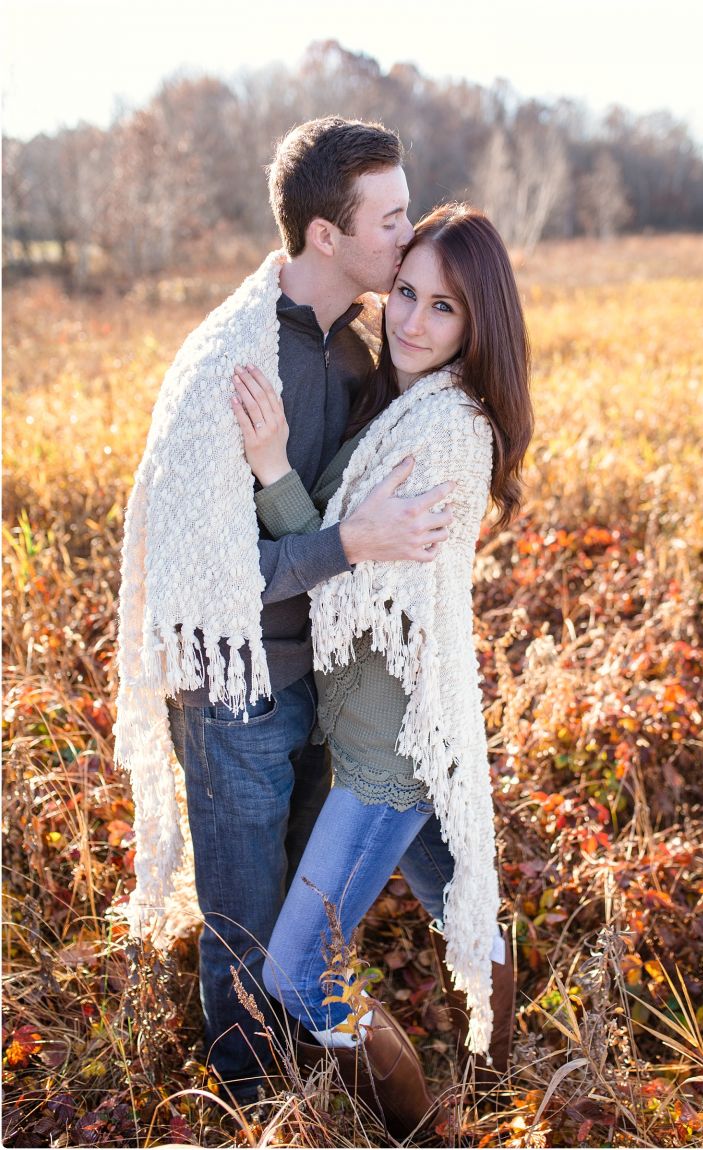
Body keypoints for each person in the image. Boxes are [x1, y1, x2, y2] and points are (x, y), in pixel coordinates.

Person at [113, 117, 458, 1104]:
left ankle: (322, 1078)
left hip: (325, 683)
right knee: (244, 927)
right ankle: (253, 1105)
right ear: (324, 235)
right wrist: (351, 543)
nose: (408, 230)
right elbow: (208, 579)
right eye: (389, 218)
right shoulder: (231, 363)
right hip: (236, 698)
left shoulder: (356, 357)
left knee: (308, 923)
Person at [230, 202, 534, 1134]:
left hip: (386, 760)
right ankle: (499, 1087)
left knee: (295, 974)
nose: (409, 320)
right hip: (414, 727)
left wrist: (303, 505)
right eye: (405, 291)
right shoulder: (400, 408)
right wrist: (289, 476)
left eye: (443, 309)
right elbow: (341, 546)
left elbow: (337, 571)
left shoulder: (446, 431)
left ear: (478, 327)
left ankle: (425, 1131)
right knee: (465, 916)